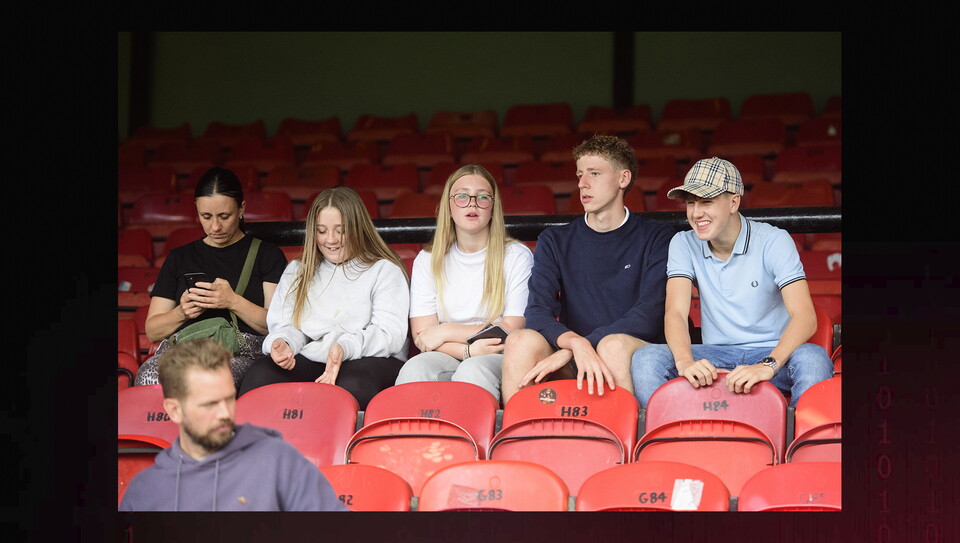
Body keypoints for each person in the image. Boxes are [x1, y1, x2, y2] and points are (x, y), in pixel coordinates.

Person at [630, 157, 834, 408]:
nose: (696, 213)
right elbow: (676, 312)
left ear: (734, 202)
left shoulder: (773, 240)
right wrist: (684, 361)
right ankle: (676, 434)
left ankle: (798, 441)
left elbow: (805, 316)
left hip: (772, 353)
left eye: (707, 202)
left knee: (813, 357)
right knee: (646, 358)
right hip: (714, 354)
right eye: (691, 203)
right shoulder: (683, 242)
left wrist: (767, 365)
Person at [500, 134, 675, 404]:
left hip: (629, 353)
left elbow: (649, 314)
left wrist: (583, 344)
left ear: (623, 179)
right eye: (580, 174)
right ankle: (517, 436)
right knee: (520, 341)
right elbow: (536, 312)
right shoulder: (555, 240)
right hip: (576, 353)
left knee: (612, 346)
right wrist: (576, 344)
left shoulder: (656, 237)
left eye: (594, 173)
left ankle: (619, 440)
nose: (582, 184)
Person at [120, 338, 348, 511]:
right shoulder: (145, 491)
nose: (224, 413)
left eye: (229, 399)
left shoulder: (278, 461)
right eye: (209, 404)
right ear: (174, 410)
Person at [237, 186, 410, 409]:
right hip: (316, 356)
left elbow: (389, 335)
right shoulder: (298, 270)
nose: (331, 240)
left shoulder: (384, 270)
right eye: (322, 231)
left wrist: (344, 347)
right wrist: (284, 343)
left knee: (352, 387)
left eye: (341, 230)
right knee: (261, 376)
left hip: (370, 358)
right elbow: (289, 326)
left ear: (358, 228)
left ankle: (338, 443)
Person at [134, 167, 287, 389]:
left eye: (225, 216)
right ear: (196, 210)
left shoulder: (267, 255)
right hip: (185, 350)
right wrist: (182, 312)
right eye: (206, 217)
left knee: (207, 381)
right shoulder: (179, 257)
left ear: (242, 208)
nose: (215, 226)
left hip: (240, 354)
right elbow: (153, 330)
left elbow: (275, 326)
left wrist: (232, 301)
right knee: (149, 374)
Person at [394, 165, 534, 402]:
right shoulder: (427, 259)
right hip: (451, 352)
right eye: (461, 196)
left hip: (499, 352)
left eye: (482, 196)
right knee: (414, 369)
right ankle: (415, 439)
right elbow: (423, 336)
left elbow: (512, 328)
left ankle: (475, 439)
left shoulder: (516, 255)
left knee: (473, 370)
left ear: (493, 206)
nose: (472, 203)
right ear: (448, 206)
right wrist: (467, 350)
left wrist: (446, 330)